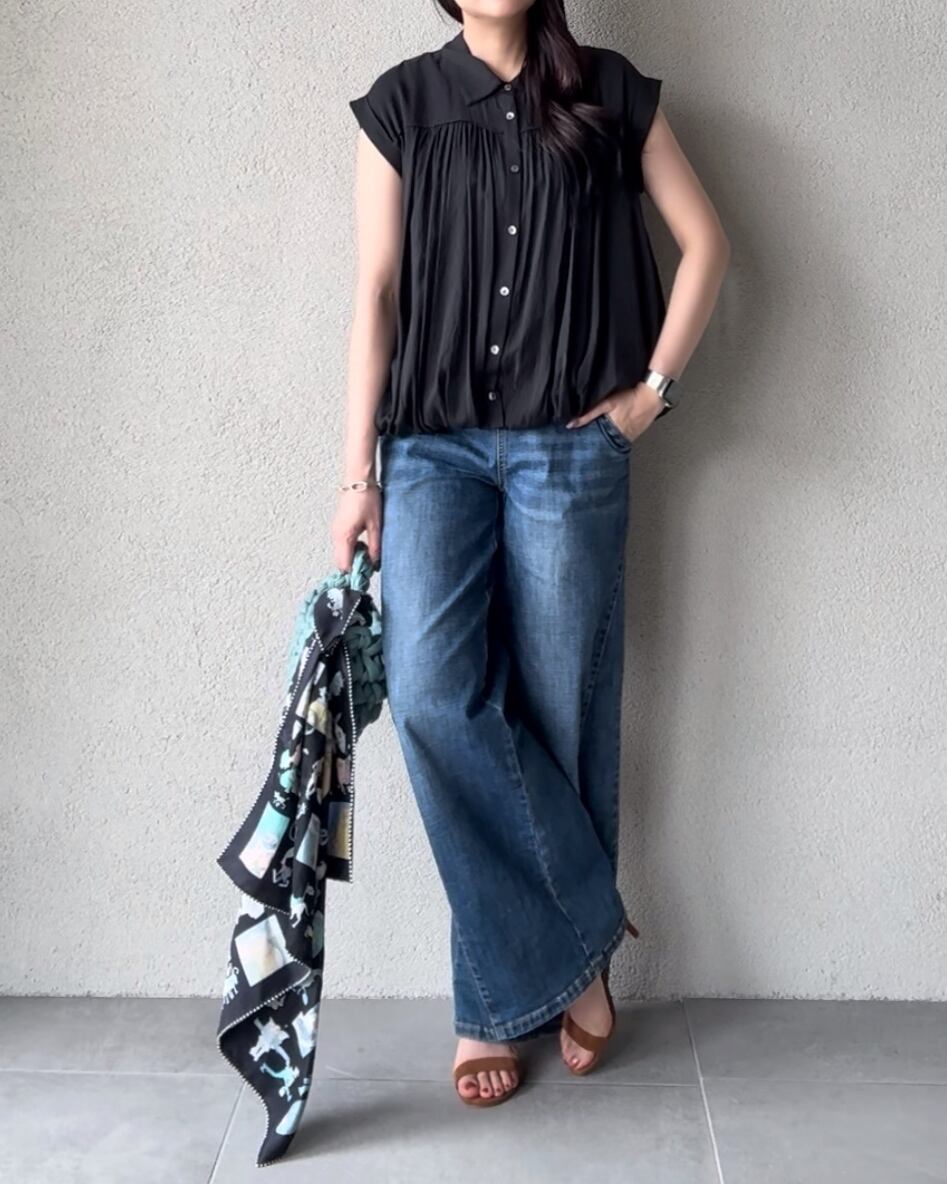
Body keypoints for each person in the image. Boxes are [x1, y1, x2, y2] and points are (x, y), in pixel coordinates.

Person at [335, 0, 730, 1107]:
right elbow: (374, 293)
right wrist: (356, 474)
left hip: (572, 447)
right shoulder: (404, 104)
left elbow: (706, 244)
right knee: (430, 693)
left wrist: (649, 396)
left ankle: (488, 1006)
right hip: (431, 451)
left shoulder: (609, 91)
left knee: (560, 708)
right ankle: (579, 941)